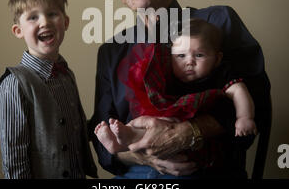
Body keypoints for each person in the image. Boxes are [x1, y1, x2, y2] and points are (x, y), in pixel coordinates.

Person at [90, 0, 271, 179]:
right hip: (137, 173)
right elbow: (101, 135)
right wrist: (143, 156)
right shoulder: (111, 52)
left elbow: (257, 100)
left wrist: (188, 132)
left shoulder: (218, 22)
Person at [94, 18, 257, 156]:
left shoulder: (220, 75)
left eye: (199, 55)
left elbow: (239, 91)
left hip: (195, 140)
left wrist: (244, 118)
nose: (189, 61)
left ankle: (124, 140)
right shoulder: (171, 75)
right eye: (181, 56)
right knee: (145, 121)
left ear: (217, 58)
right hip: (167, 121)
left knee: (159, 126)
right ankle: (119, 143)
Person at [0, 0, 97, 179]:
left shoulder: (66, 74)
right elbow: (14, 157)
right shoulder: (15, 83)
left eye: (52, 14)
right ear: (18, 30)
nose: (44, 22)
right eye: (33, 17)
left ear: (66, 22)